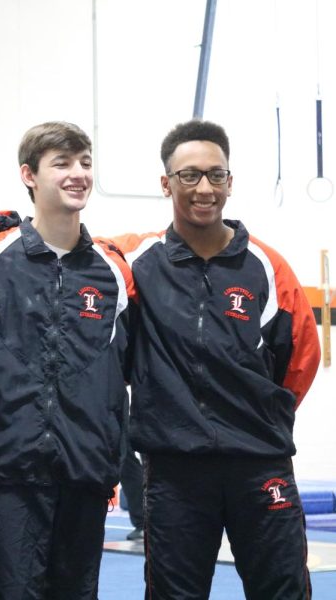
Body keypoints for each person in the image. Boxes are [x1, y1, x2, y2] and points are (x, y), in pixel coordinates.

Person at [113, 119, 320, 599]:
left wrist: (258, 418)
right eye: (189, 176)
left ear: (230, 182)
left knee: (283, 591)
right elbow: (69, 242)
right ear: (166, 184)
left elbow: (300, 361)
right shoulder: (136, 259)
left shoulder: (267, 267)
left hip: (259, 464)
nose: (204, 188)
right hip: (175, 469)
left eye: (216, 175)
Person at [0, 122, 135, 599]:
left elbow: (127, 360)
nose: (78, 173)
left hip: (86, 471)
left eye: (84, 162)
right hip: (10, 471)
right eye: (62, 163)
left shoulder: (114, 270)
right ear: (29, 175)